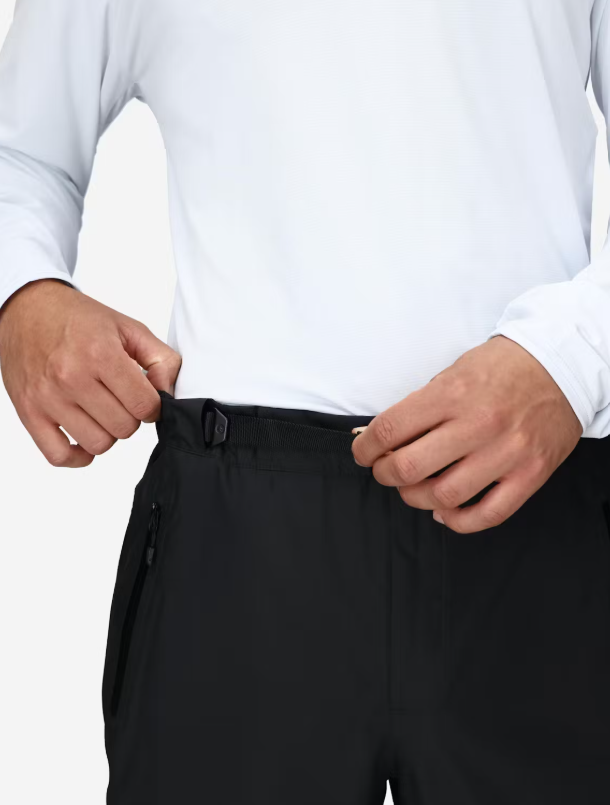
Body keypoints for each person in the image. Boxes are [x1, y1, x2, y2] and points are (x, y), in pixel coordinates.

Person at [0, 1, 609, 802]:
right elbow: (21, 149)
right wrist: (25, 295)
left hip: (535, 500)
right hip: (240, 544)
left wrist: (575, 356)